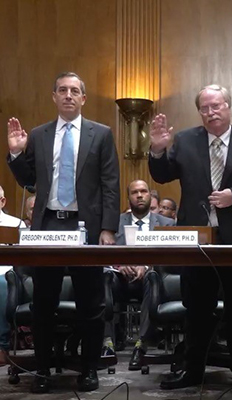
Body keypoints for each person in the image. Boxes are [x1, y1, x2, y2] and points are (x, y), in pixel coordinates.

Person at [149, 84, 232, 390]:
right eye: (205, 108)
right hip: (197, 240)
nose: (211, 112)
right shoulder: (184, 140)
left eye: (216, 106)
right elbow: (162, 175)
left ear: (229, 107)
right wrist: (156, 150)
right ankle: (193, 370)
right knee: (196, 308)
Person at [7, 71, 120, 393]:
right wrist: (16, 153)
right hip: (49, 224)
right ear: (54, 97)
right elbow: (28, 180)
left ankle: (89, 368)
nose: (68, 95)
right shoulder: (40, 135)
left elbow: (110, 184)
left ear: (83, 98)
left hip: (87, 225)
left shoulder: (101, 134)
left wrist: (109, 228)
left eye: (74, 91)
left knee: (91, 302)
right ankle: (42, 369)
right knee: (44, 300)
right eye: (62, 90)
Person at [107, 179, 175, 370]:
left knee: (153, 278)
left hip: (150, 282)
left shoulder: (166, 224)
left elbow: (170, 258)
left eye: (143, 191)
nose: (139, 195)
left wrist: (146, 265)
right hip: (120, 280)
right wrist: (120, 265)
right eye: (134, 192)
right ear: (128, 197)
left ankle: (141, 344)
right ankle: (107, 343)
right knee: (103, 279)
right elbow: (104, 252)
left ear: (150, 195)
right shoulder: (114, 223)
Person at [0, 186, 27, 367]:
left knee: (2, 285)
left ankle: (1, 346)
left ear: (2, 202)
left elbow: (24, 259)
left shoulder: (15, 224)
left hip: (7, 273)